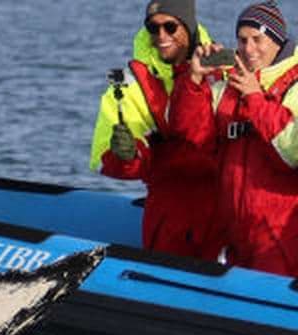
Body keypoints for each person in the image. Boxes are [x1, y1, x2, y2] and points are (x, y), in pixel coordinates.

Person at [170, 1, 298, 277]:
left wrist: (255, 98)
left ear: (277, 42)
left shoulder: (294, 86)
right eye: (242, 40)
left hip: (281, 238)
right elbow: (192, 133)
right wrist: (194, 81)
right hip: (236, 233)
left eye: (257, 40)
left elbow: (292, 152)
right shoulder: (230, 82)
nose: (249, 49)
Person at [90, 0, 222, 260]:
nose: (161, 36)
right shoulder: (129, 86)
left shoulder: (223, 69)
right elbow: (108, 158)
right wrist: (125, 156)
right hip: (169, 213)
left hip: (224, 211)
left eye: (170, 27)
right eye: (153, 27)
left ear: (188, 26)